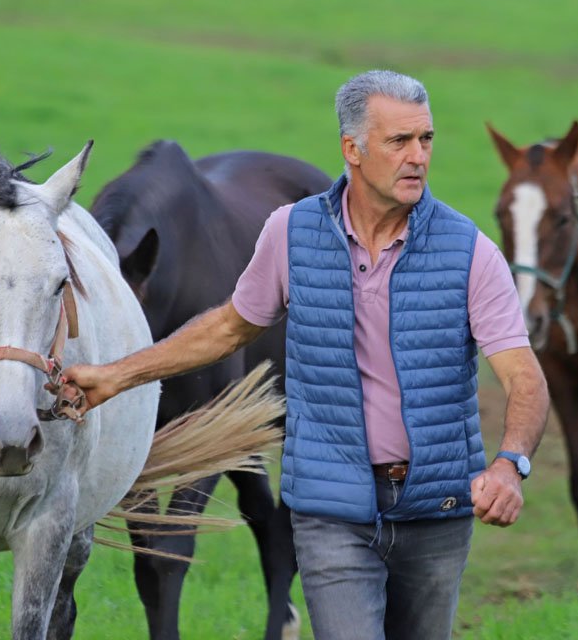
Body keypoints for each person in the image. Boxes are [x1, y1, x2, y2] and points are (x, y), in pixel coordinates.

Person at [58, 69, 550, 640]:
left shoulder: (470, 252)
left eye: (426, 139)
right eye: (399, 141)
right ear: (353, 149)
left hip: (435, 511)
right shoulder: (290, 233)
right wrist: (116, 375)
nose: (418, 156)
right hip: (330, 511)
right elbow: (227, 329)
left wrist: (509, 465)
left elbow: (523, 376)